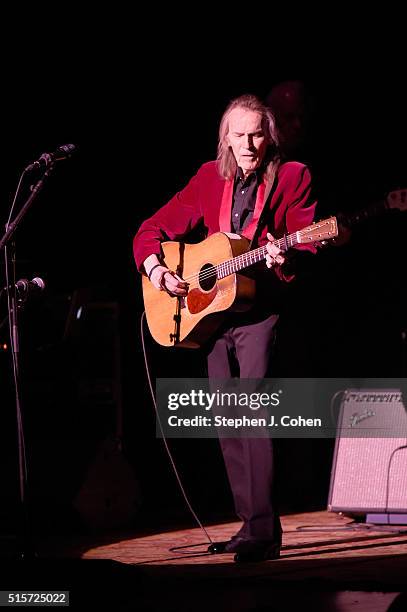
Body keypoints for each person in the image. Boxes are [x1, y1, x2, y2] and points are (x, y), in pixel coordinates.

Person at [133, 94, 317, 563]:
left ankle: (263, 531)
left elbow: (307, 239)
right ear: (226, 138)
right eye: (239, 135)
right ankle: (250, 522)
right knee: (226, 419)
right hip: (213, 315)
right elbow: (149, 230)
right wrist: (158, 271)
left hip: (259, 312)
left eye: (256, 133)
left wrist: (286, 254)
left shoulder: (292, 175)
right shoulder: (207, 177)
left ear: (268, 135)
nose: (249, 143)